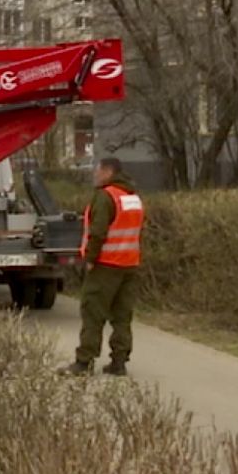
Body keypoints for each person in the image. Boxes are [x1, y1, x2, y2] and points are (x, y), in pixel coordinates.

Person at [62, 157, 145, 377]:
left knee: (93, 313)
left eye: (97, 171)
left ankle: (84, 361)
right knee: (122, 316)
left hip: (105, 265)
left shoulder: (105, 196)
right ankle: (119, 362)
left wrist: (89, 259)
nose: (95, 175)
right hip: (129, 265)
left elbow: (98, 232)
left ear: (108, 171)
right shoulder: (132, 197)